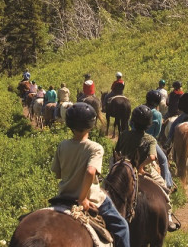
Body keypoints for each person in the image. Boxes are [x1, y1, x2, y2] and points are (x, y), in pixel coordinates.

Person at [52, 103, 130, 247]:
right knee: (122, 227)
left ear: (69, 124)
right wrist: (82, 198)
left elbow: (57, 173)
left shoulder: (62, 145)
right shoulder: (95, 148)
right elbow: (90, 171)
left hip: (63, 197)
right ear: (91, 125)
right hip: (91, 198)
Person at [114, 105, 174, 221]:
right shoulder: (150, 139)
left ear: (132, 121)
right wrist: (140, 166)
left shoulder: (124, 135)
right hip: (144, 170)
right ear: (149, 124)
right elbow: (152, 157)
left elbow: (117, 152)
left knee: (109, 187)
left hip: (124, 169)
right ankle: (169, 217)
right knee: (164, 188)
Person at [145, 90, 175, 190]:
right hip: (150, 141)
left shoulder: (139, 109)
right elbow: (157, 133)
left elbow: (131, 124)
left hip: (135, 136)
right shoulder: (157, 114)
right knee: (163, 160)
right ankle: (167, 185)